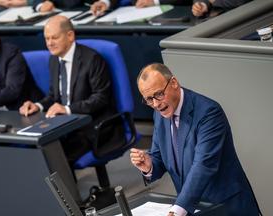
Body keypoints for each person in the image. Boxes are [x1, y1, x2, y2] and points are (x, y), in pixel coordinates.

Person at [130, 63, 260, 216]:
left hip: (226, 207)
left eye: (159, 94)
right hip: (194, 208)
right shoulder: (160, 114)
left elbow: (203, 165)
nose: (156, 104)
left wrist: (177, 210)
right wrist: (149, 166)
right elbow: (160, 155)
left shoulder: (208, 112)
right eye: (149, 99)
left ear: (173, 83)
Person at [19, 15, 123, 164]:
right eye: (46, 38)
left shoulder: (92, 59)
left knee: (57, 155)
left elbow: (101, 98)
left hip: (95, 125)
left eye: (54, 38)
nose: (49, 43)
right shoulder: (54, 59)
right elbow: (54, 95)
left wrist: (67, 109)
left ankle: (65, 187)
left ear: (70, 35)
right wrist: (38, 105)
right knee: (39, 149)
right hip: (68, 124)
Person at [33, 0, 117, 16]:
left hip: (91, 16)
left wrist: (104, 2)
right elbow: (36, 2)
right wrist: (41, 6)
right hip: (59, 17)